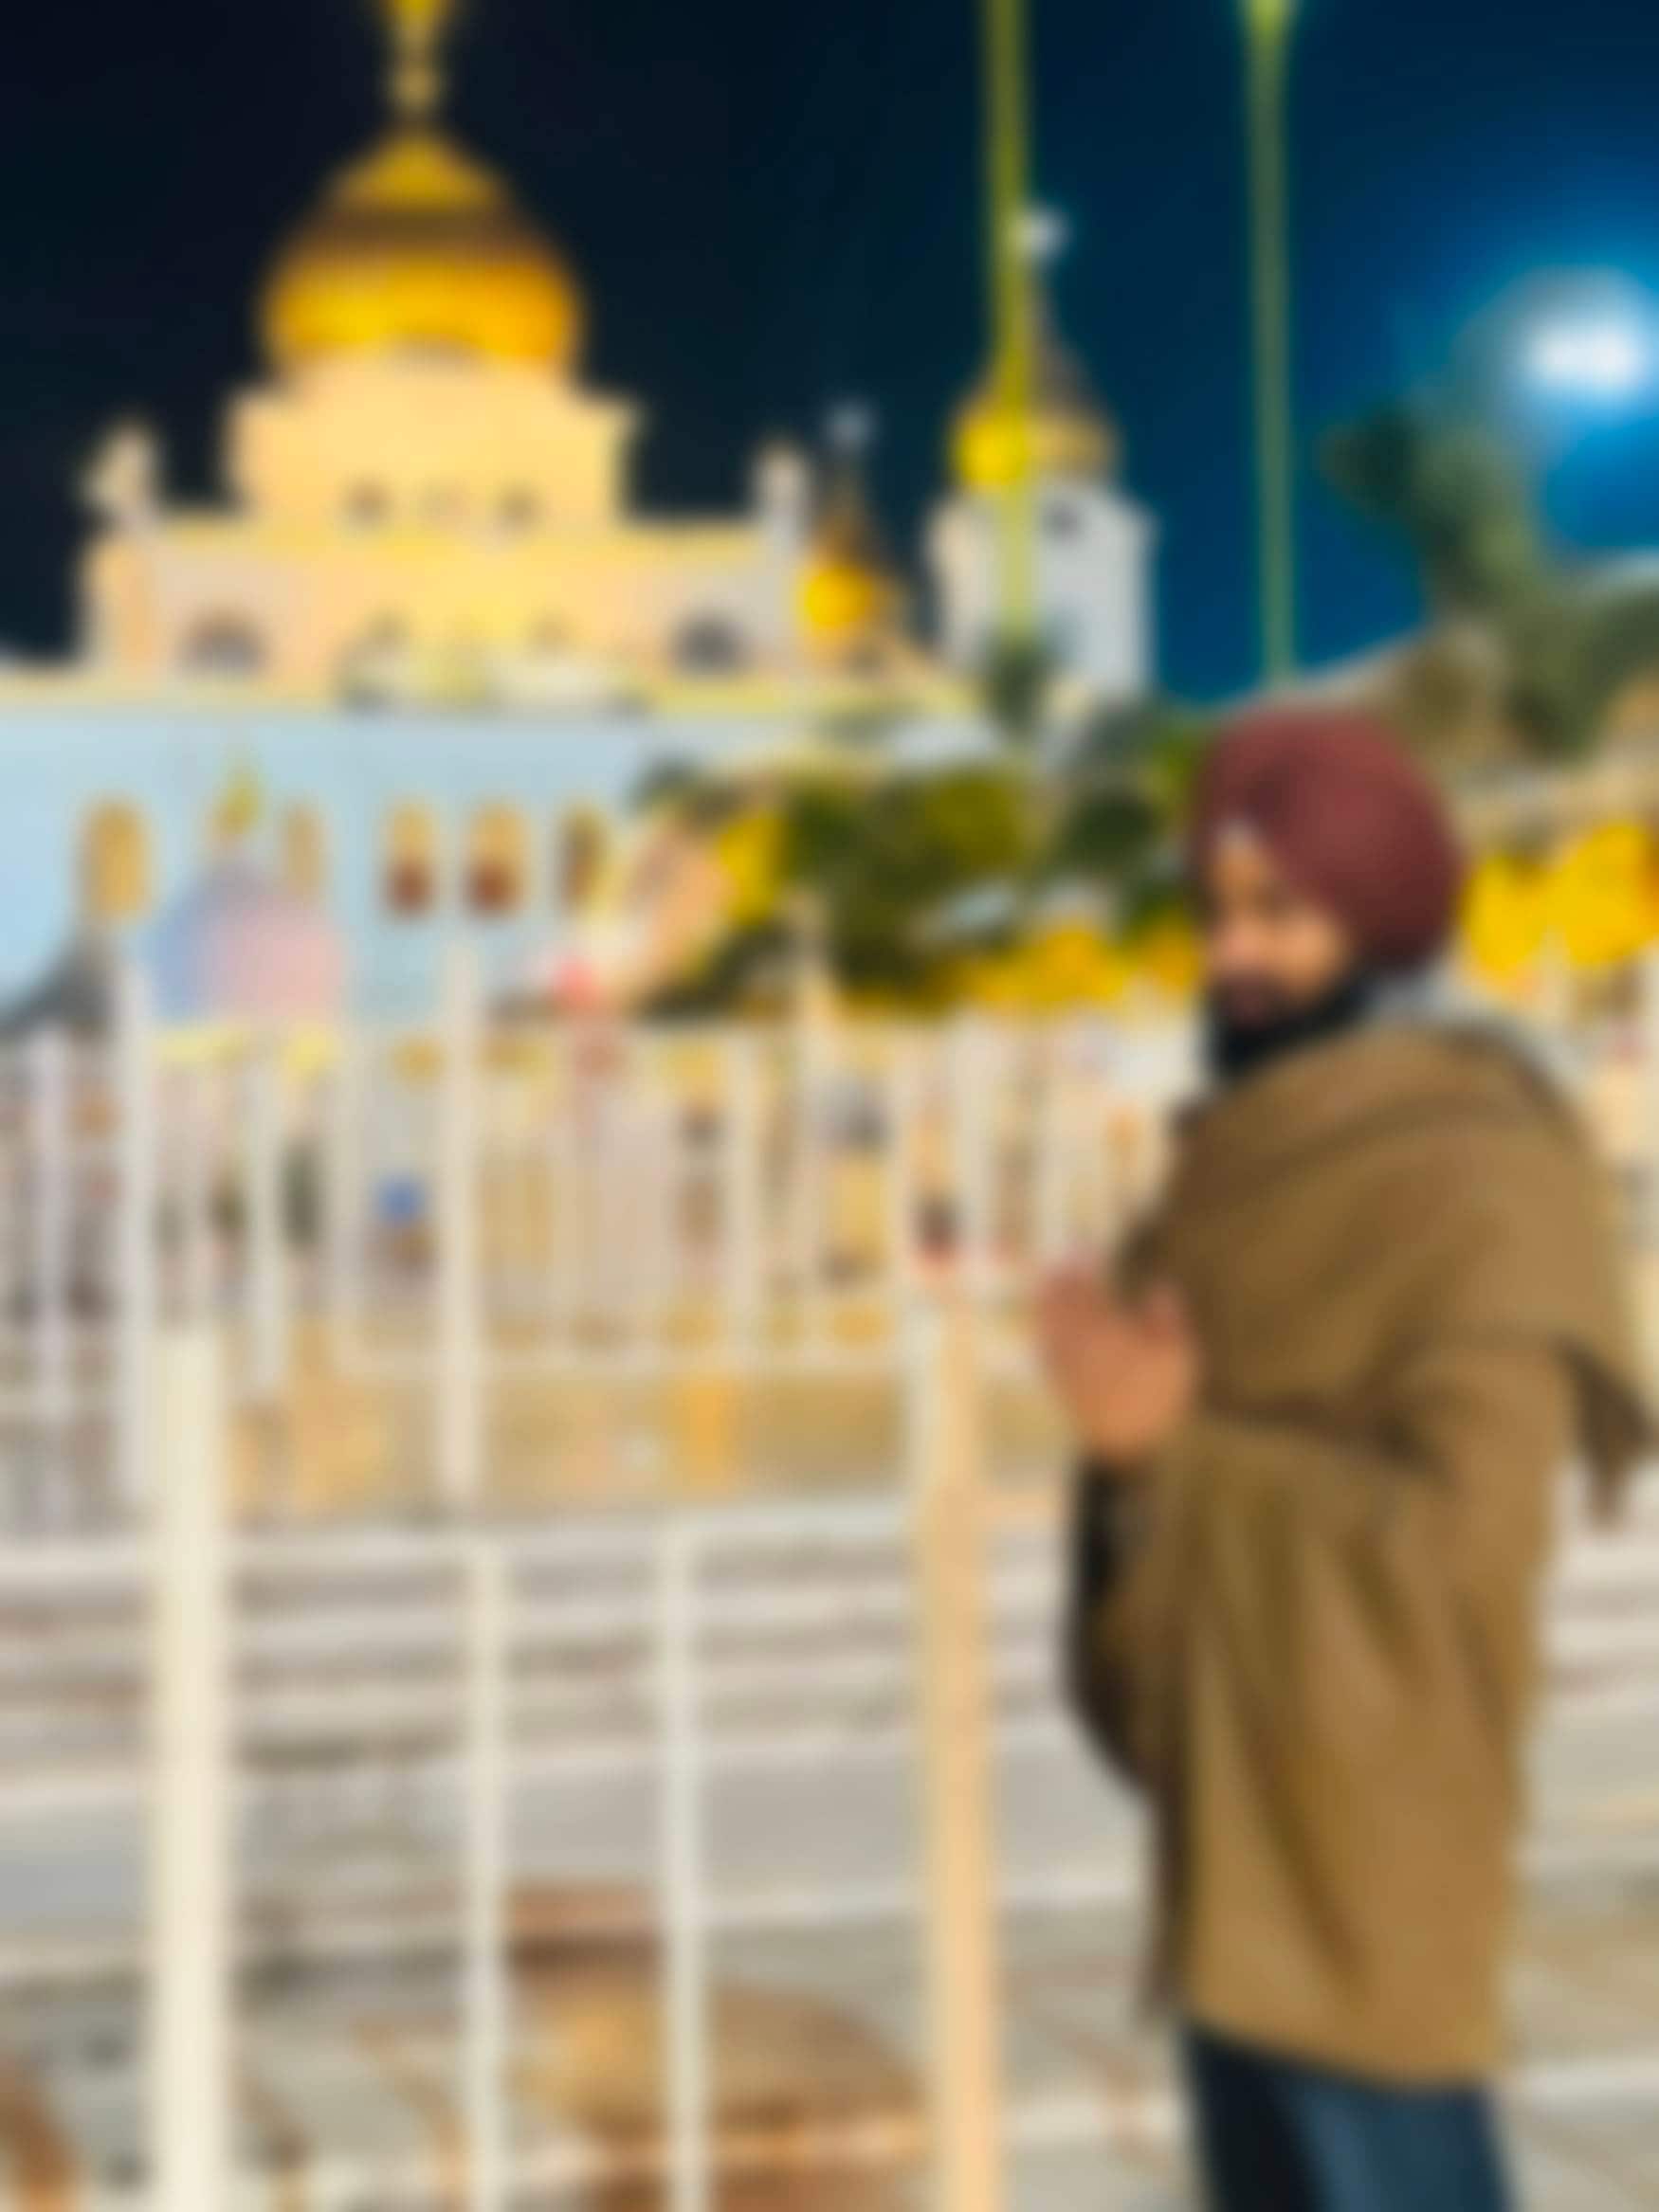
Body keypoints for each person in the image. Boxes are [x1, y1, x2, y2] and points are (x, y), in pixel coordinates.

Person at [1037, 706, 1650, 2212]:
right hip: (1226, 1850)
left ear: (1376, 917)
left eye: (1278, 911)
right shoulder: (1241, 1160)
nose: (1232, 953)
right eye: (1215, 911)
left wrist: (1176, 1451)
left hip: (1372, 1876)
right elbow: (1165, 1471)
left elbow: (1458, 1545)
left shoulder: (1476, 1168)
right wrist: (1129, 1462)